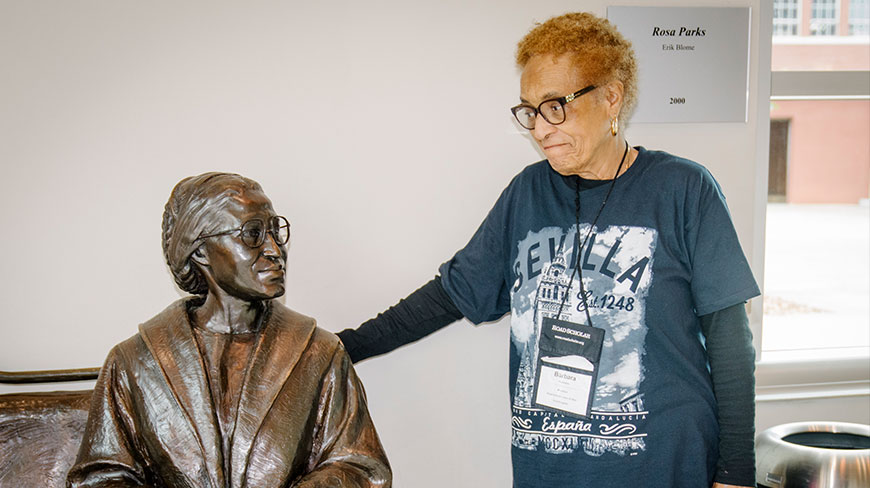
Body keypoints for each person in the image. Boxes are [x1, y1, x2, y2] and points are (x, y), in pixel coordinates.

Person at [338, 12, 758, 488]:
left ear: (611, 97)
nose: (540, 128)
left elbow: (729, 340)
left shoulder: (683, 189)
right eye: (530, 111)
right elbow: (448, 296)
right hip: (551, 468)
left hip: (664, 464)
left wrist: (736, 472)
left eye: (556, 105)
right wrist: (340, 347)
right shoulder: (528, 193)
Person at [68, 173, 391, 488]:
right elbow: (100, 478)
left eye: (276, 232)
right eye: (252, 234)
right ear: (199, 251)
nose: (275, 250)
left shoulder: (319, 352)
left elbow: (361, 467)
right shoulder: (134, 361)